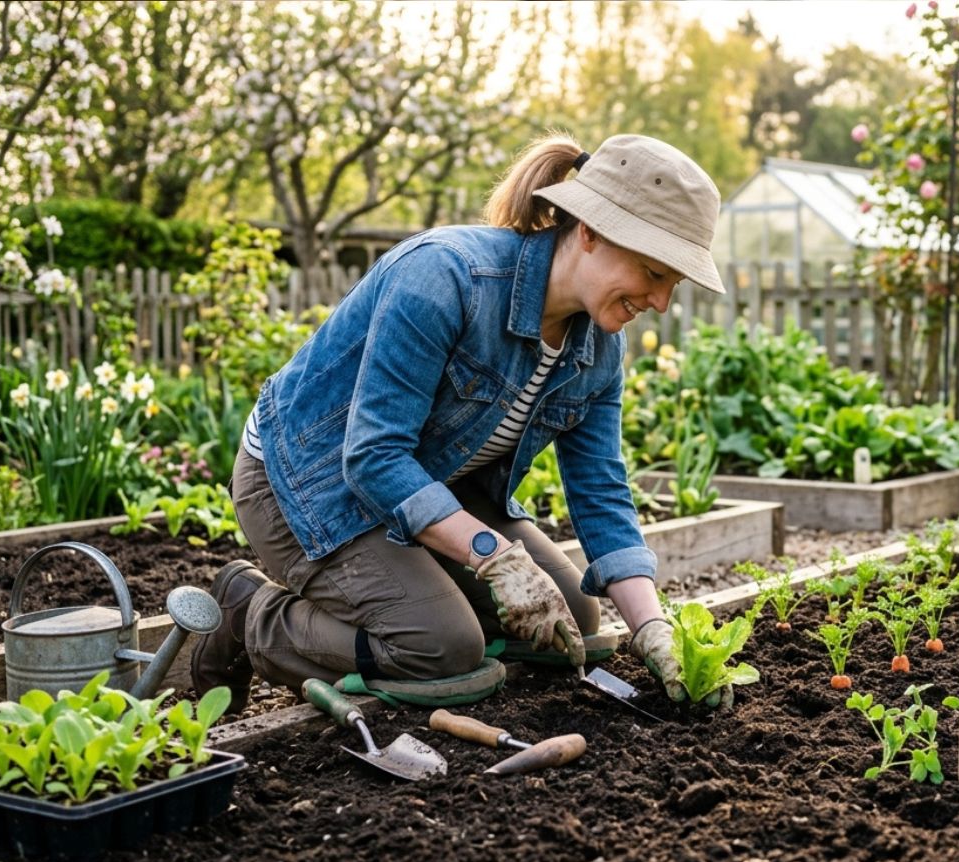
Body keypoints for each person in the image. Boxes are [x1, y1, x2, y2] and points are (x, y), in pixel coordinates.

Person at [190, 132, 732, 714]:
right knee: (441, 649)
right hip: (309, 484)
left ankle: (437, 615)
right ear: (591, 231)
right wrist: (493, 558)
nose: (660, 303)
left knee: (574, 617)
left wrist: (652, 627)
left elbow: (601, 492)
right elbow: (373, 457)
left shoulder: (598, 350)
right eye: (654, 273)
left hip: (427, 487)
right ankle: (251, 612)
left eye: (672, 284)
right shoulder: (445, 277)